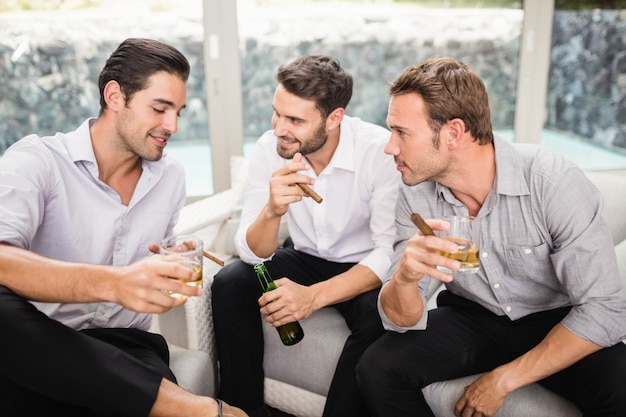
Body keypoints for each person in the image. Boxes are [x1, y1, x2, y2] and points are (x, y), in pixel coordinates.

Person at [355, 56, 626, 417]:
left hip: (557, 318)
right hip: (475, 316)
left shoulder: (551, 182)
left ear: (453, 133)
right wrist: (404, 278)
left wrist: (503, 380)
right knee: (377, 368)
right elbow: (399, 318)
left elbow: (605, 308)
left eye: (401, 132)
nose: (390, 147)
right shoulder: (414, 192)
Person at [0, 38, 246, 417]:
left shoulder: (171, 177)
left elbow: (155, 258)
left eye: (178, 111)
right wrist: (116, 282)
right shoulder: (38, 162)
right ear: (115, 96)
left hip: (126, 345)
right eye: (161, 108)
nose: (173, 125)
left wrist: (169, 266)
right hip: (39, 340)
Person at [211, 54, 399, 417]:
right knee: (230, 281)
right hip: (304, 255)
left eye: (295, 120)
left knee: (379, 317)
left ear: (334, 118)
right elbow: (253, 254)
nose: (280, 128)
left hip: (363, 268)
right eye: (277, 113)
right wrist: (272, 211)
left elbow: (387, 252)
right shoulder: (270, 148)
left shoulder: (378, 152)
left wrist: (314, 297)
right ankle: (242, 409)